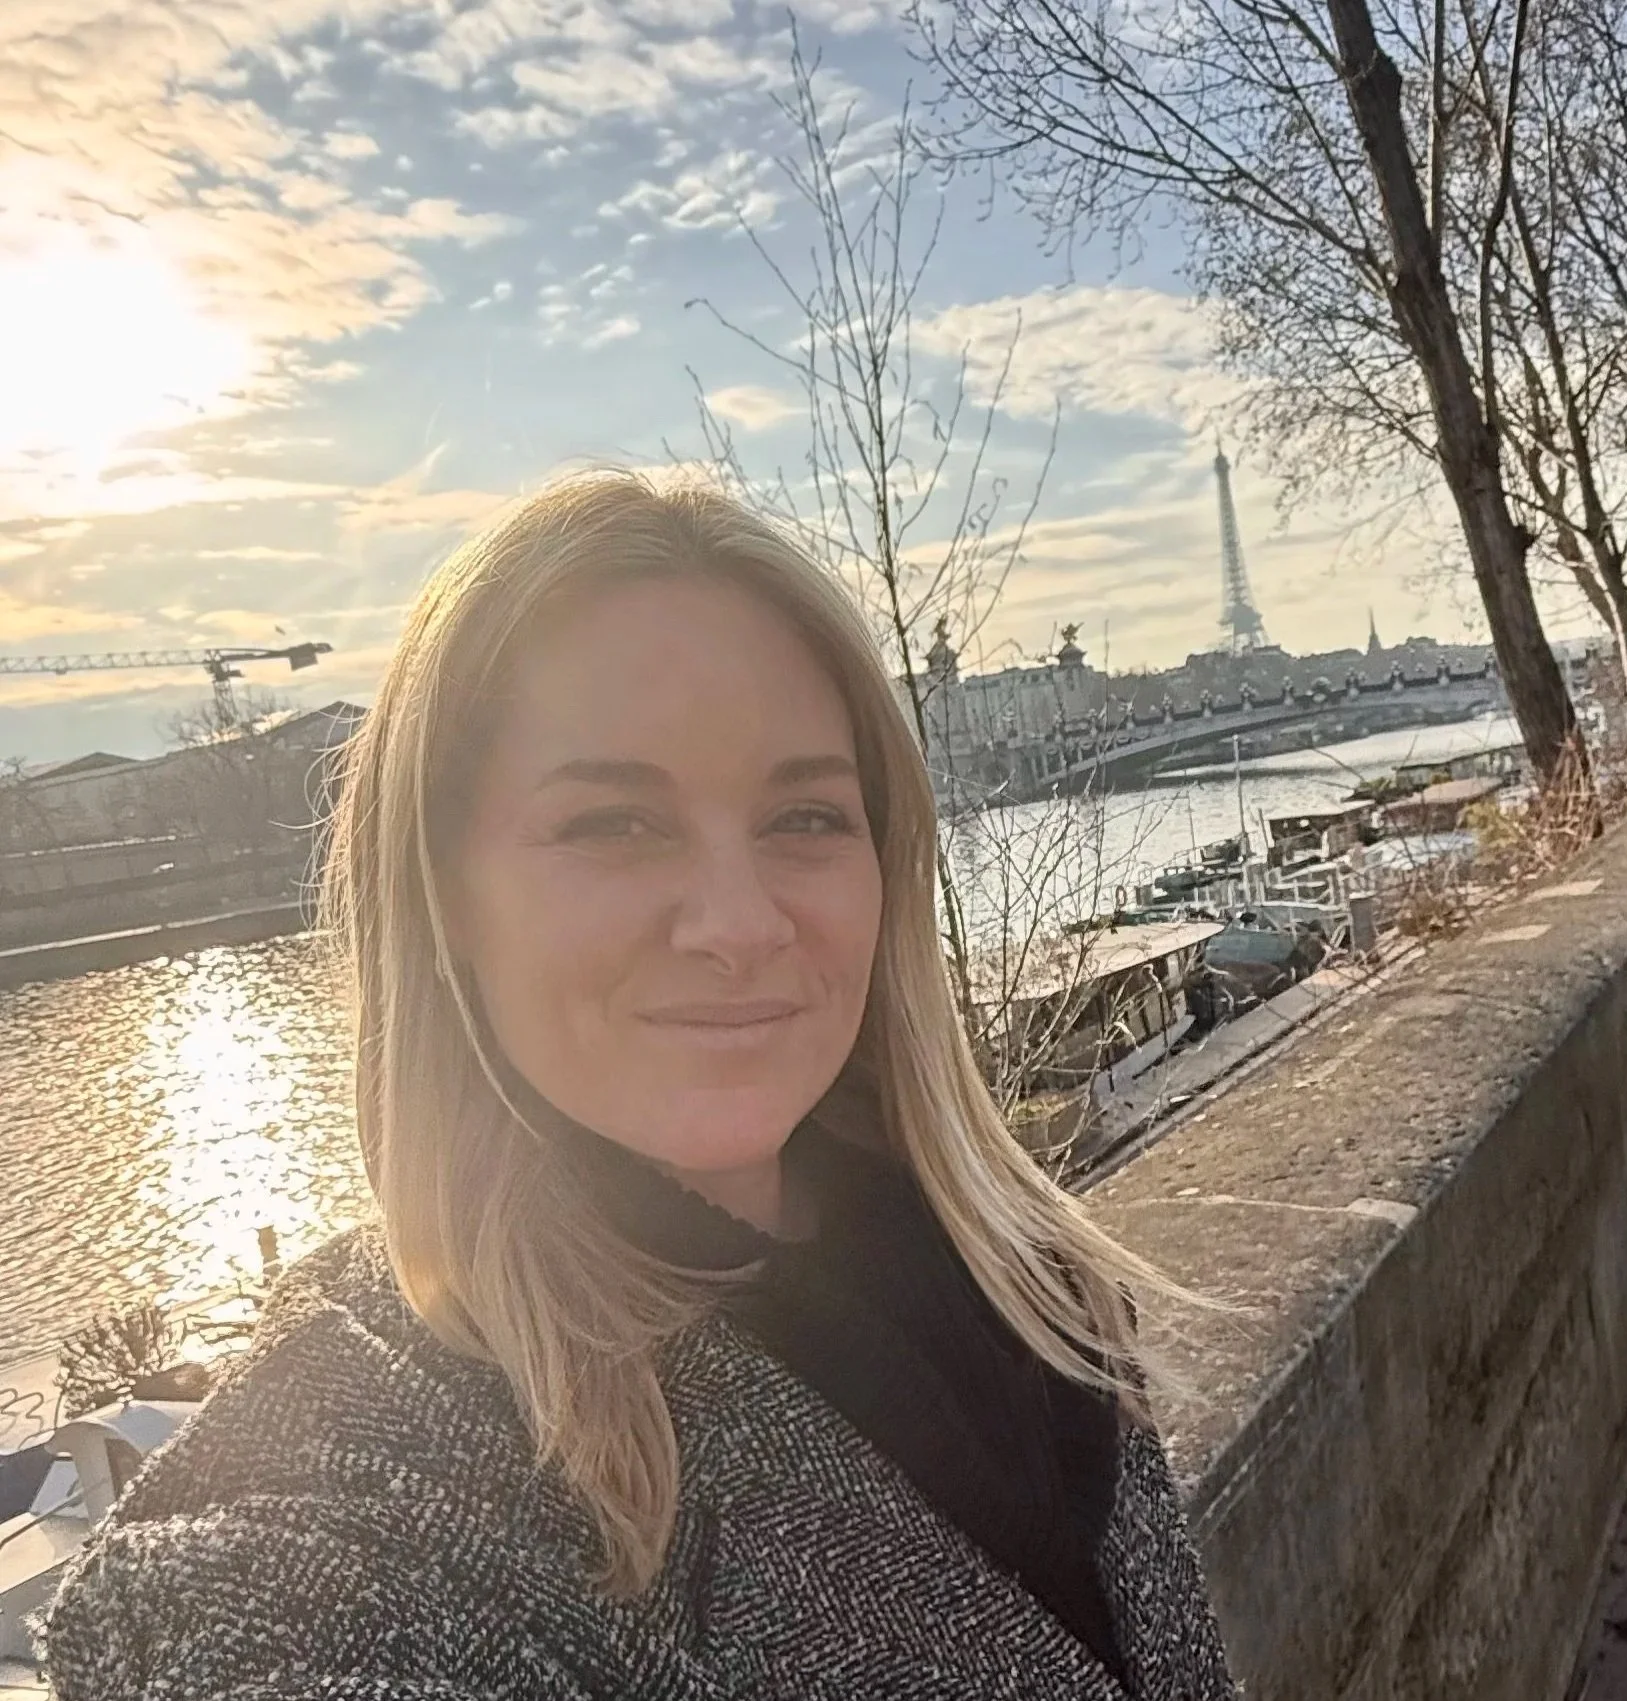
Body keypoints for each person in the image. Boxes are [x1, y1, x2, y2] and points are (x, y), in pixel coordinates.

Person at [41, 472, 1237, 1699]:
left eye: (807, 818)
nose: (737, 923)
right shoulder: (358, 1481)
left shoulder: (1028, 1283)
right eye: (614, 825)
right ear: (445, 898)